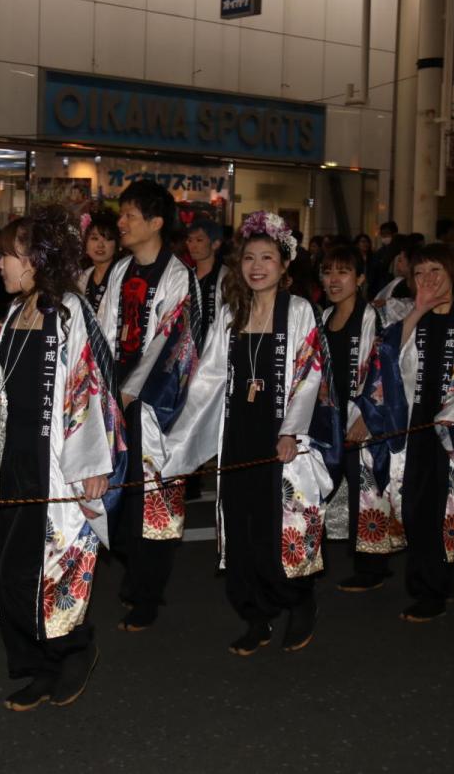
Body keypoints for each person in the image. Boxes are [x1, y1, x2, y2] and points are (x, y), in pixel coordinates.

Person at [0, 204, 123, 711]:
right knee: (11, 568)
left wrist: (95, 464)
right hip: (14, 460)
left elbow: (92, 387)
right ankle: (35, 665)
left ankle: (73, 652)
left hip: (57, 464)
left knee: (56, 567)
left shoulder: (70, 312)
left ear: (36, 259)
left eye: (8, 255)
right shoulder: (16, 312)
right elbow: (0, 393)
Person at [161, 211, 328, 654]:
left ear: (285, 264)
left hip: (282, 437)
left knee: (282, 523)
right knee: (241, 525)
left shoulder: (299, 311)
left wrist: (291, 431)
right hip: (239, 434)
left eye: (267, 257)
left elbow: (309, 374)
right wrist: (179, 438)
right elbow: (209, 379)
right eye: (249, 258)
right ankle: (255, 614)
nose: (257, 266)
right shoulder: (232, 312)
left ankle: (298, 600)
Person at [357, 243, 454, 622]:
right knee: (414, 507)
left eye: (436, 271)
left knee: (439, 509)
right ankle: (449, 563)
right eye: (419, 273)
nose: (428, 279)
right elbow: (385, 356)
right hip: (413, 426)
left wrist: (451, 417)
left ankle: (431, 591)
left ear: (453, 273)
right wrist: (418, 309)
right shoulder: (410, 313)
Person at [95, 179, 201, 631]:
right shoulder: (121, 270)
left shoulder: (179, 277)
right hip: (115, 398)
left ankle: (147, 594)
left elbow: (173, 344)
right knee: (117, 495)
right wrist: (102, 389)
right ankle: (135, 576)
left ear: (156, 222)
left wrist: (132, 391)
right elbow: (102, 333)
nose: (121, 223)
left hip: (156, 406)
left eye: (129, 216)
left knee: (152, 502)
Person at [314, 244, 399, 592]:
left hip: (361, 417)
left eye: (343, 272)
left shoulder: (373, 318)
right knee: (322, 486)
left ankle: (372, 566)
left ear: (360, 278)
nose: (334, 280)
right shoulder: (322, 317)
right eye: (327, 272)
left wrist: (368, 414)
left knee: (367, 489)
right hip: (328, 419)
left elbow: (386, 369)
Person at [185, 218, 228, 346]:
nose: (193, 246)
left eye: (199, 240)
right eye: (189, 240)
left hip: (217, 346)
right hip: (187, 348)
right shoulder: (184, 277)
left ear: (215, 244)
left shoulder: (227, 277)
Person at [76, 207, 121, 313]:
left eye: (107, 239)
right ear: (85, 244)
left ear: (118, 245)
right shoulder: (82, 278)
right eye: (94, 238)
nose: (100, 245)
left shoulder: (122, 275)